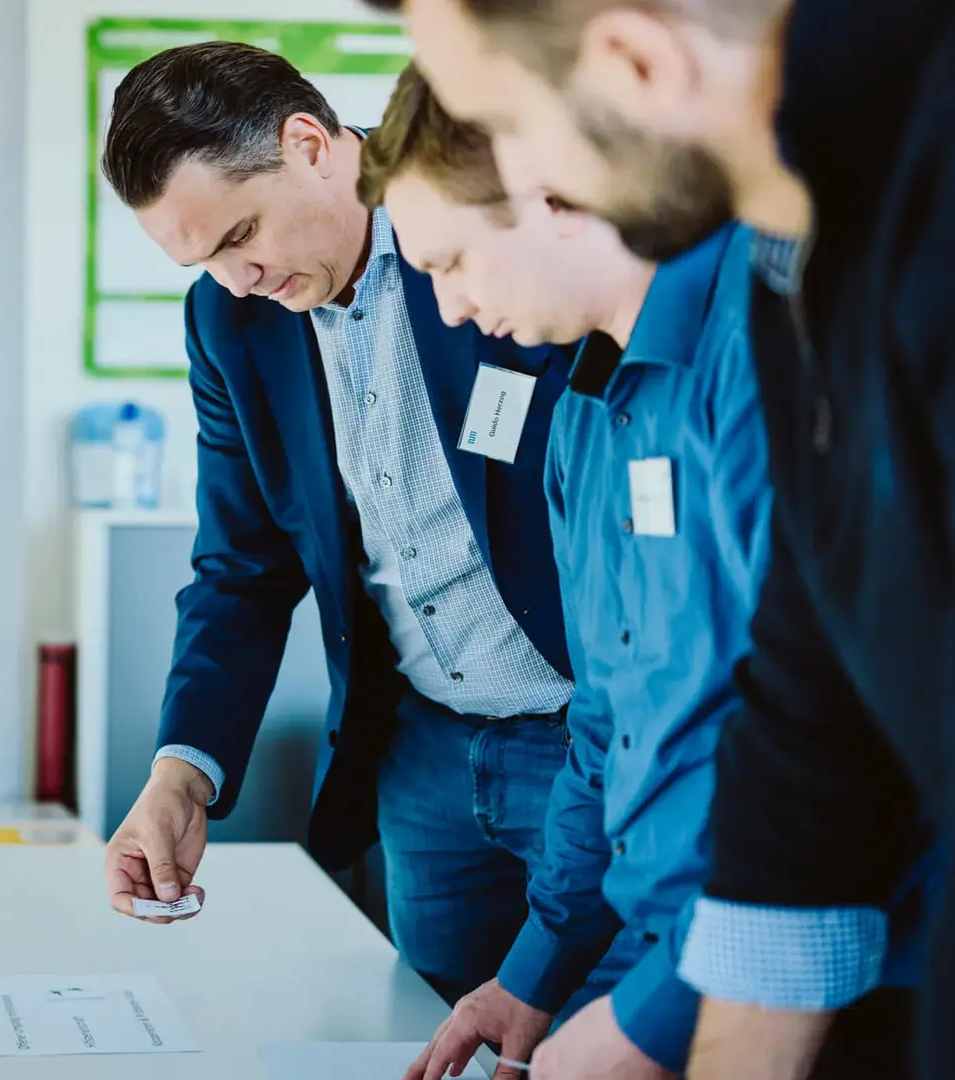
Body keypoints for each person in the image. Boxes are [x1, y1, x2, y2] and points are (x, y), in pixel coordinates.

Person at [377, 0, 955, 1077]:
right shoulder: (629, 376)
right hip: (711, 945)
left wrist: (666, 1017)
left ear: (633, 65)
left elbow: (923, 750)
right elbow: (775, 708)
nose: (446, 310)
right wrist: (558, 976)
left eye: (501, 116)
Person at [95, 40, 642, 1010]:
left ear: (310, 144)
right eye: (201, 261)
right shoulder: (230, 323)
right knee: (436, 1033)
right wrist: (182, 770)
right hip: (422, 759)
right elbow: (241, 567)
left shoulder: (479, 229)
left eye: (238, 236)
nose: (235, 279)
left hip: (590, 741)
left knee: (607, 1034)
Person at [361, 65, 769, 1080]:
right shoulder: (581, 418)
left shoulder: (767, 343)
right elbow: (606, 720)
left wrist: (663, 1016)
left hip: (814, 977)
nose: (448, 312)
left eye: (454, 262)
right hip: (675, 954)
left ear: (554, 187)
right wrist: (532, 976)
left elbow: (831, 734)